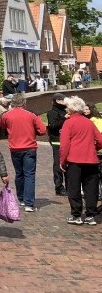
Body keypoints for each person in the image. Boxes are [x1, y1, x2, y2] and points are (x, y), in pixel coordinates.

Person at [0, 93, 46, 212]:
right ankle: (29, 203)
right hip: (29, 148)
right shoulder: (31, 115)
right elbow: (42, 130)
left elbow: (1, 125)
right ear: (24, 103)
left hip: (14, 148)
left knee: (19, 174)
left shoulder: (7, 115)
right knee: (29, 175)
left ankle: (22, 199)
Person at [60, 96, 102, 226]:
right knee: (91, 189)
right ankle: (90, 215)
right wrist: (93, 148)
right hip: (91, 160)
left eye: (67, 107)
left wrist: (62, 161)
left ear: (72, 109)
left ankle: (76, 215)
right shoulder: (89, 123)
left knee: (74, 188)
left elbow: (65, 145)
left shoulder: (69, 123)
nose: (66, 108)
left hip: (74, 160)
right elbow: (100, 140)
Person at [46, 92, 69, 196]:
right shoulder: (52, 113)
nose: (65, 102)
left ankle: (70, 186)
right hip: (57, 141)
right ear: (57, 101)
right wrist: (65, 118)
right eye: (63, 100)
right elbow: (54, 126)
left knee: (68, 165)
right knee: (58, 165)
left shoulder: (65, 111)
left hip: (68, 142)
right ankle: (59, 187)